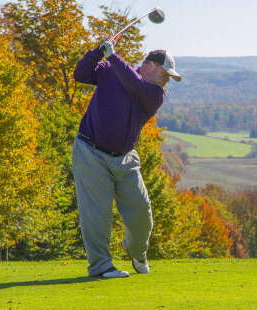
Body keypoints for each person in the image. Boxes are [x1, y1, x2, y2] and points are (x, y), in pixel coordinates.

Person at [72, 37, 181, 278]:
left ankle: (136, 250)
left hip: (125, 157)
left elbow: (135, 85)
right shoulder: (112, 69)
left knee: (142, 211)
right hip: (90, 151)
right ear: (150, 64)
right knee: (97, 213)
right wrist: (97, 52)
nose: (167, 80)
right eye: (166, 73)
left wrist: (112, 56)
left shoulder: (155, 93)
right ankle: (101, 267)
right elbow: (80, 74)